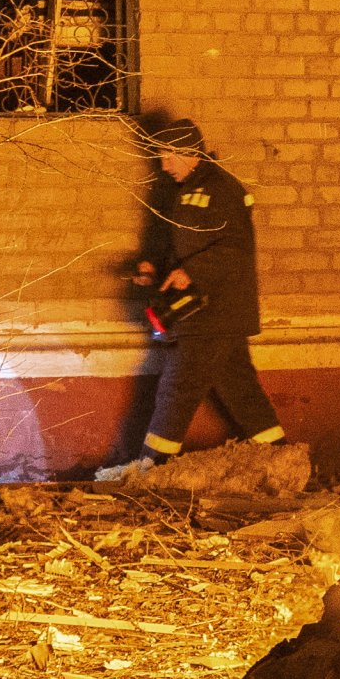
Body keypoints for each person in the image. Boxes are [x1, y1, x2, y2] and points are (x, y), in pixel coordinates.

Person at [129, 114, 286, 459]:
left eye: (169, 155)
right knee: (240, 389)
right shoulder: (181, 191)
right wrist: (151, 264)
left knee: (178, 388)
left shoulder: (224, 189)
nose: (163, 163)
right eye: (159, 155)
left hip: (215, 312)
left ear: (191, 152)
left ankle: (150, 467)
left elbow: (235, 248)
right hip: (205, 313)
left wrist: (192, 272)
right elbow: (178, 241)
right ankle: (280, 456)